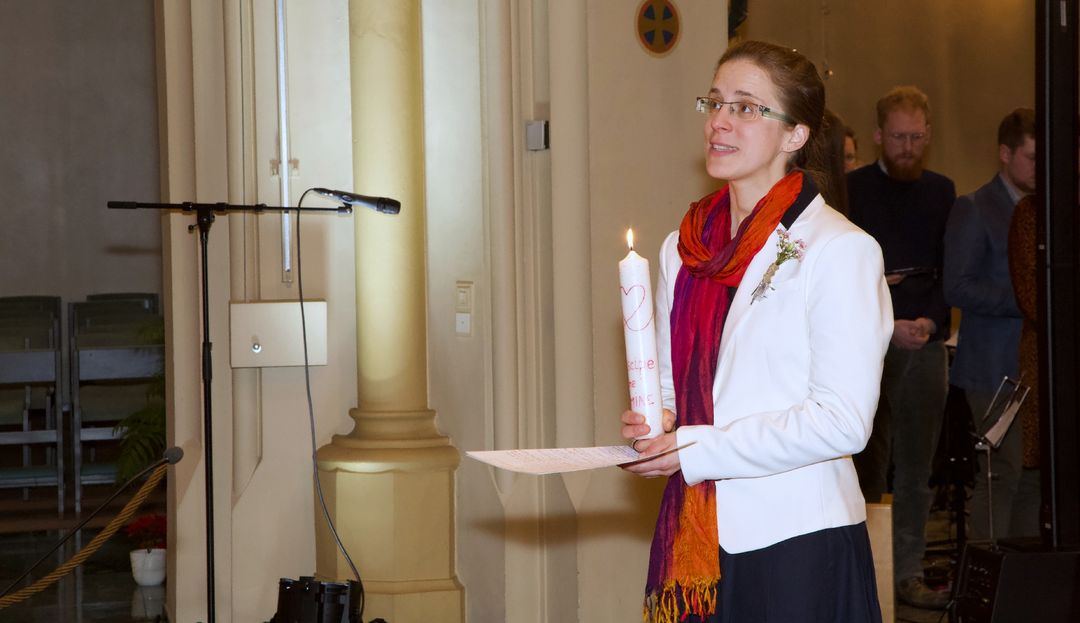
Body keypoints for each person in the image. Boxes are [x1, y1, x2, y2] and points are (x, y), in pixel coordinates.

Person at [621, 40, 892, 623]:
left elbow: (842, 421)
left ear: (795, 135)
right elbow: (675, 388)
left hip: (796, 540)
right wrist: (659, 421)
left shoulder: (839, 249)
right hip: (701, 534)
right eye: (715, 102)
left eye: (746, 107)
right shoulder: (685, 246)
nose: (719, 121)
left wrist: (696, 448)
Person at [847, 86, 956, 610]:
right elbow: (847, 279)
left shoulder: (941, 191)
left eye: (916, 138)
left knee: (918, 468)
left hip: (925, 341)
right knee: (869, 463)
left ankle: (907, 572)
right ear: (878, 136)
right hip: (871, 343)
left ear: (928, 136)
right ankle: (865, 574)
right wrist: (889, 325)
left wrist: (931, 323)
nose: (908, 147)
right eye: (898, 138)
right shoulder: (853, 191)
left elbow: (947, 268)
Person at [944, 108, 1038, 542]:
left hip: (1033, 364)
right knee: (1002, 472)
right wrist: (1028, 302)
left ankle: (1028, 575)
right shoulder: (975, 208)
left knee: (1033, 474)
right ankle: (989, 578)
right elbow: (957, 287)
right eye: (1032, 158)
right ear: (1005, 154)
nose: (1040, 169)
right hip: (992, 368)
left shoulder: (1044, 210)